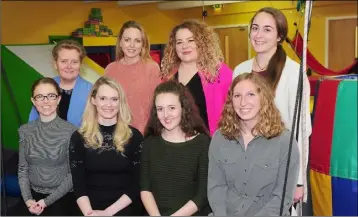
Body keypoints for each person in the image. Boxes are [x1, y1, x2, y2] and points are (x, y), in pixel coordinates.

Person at [233, 7, 312, 204]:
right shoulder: (240, 70)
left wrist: (299, 181)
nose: (258, 35)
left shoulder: (294, 74)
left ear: (279, 36)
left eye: (267, 29)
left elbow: (301, 132)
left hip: (280, 167)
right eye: (255, 28)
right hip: (246, 165)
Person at [208, 73, 299, 216]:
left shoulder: (284, 141)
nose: (243, 103)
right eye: (237, 96)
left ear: (263, 98)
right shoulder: (220, 138)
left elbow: (282, 197)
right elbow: (216, 187)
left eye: (250, 94)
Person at [69, 76, 143, 216]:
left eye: (114, 99)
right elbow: (78, 184)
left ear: (120, 102)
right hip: (89, 208)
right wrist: (90, 213)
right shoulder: (78, 138)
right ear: (93, 100)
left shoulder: (135, 137)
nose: (109, 104)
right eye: (103, 98)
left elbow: (137, 183)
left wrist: (108, 213)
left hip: (125, 207)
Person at [141, 80, 211, 216]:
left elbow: (202, 195)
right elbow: (145, 188)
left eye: (172, 108)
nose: (166, 115)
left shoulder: (202, 143)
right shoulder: (150, 142)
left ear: (184, 108)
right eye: (160, 109)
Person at [13, 77, 78, 216]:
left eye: (51, 96)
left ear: (59, 99)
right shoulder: (25, 130)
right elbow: (23, 169)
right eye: (40, 96)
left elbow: (73, 174)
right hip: (32, 196)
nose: (46, 101)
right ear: (33, 101)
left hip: (62, 197)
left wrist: (46, 202)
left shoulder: (72, 131)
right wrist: (28, 200)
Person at [160, 19, 232, 136]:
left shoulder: (220, 73)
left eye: (190, 40)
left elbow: (233, 111)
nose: (185, 46)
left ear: (202, 43)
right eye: (179, 42)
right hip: (176, 142)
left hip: (208, 143)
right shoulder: (168, 76)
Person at [105, 21, 161, 134]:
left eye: (137, 41)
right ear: (120, 42)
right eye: (127, 40)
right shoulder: (110, 70)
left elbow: (158, 104)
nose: (132, 45)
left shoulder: (152, 68)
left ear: (143, 44)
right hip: (117, 133)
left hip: (145, 134)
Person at [29, 39, 92, 127]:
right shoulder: (44, 87)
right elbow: (33, 120)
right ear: (55, 64)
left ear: (80, 64)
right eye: (64, 61)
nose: (69, 66)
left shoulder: (92, 91)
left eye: (74, 62)